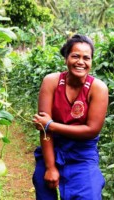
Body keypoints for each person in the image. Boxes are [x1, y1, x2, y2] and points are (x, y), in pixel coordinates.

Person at [32, 34, 108, 200]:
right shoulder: (51, 82)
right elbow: (44, 132)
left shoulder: (98, 88)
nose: (81, 62)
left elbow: (91, 130)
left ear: (91, 62)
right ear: (66, 58)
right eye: (75, 56)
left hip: (82, 155)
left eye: (86, 58)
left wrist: (51, 125)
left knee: (90, 194)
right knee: (45, 190)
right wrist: (50, 167)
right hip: (52, 149)